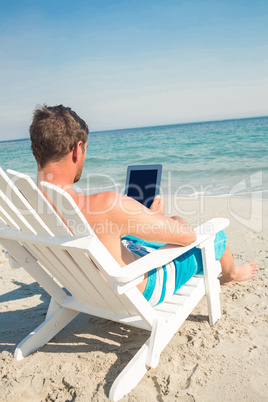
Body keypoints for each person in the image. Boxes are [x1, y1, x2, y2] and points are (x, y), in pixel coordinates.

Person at [29, 104, 259, 306]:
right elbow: (188, 237)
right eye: (86, 150)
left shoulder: (24, 204)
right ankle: (232, 275)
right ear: (78, 149)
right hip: (136, 291)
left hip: (84, 288)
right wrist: (158, 218)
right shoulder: (105, 204)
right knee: (212, 235)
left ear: (36, 150)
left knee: (134, 235)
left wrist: (143, 216)